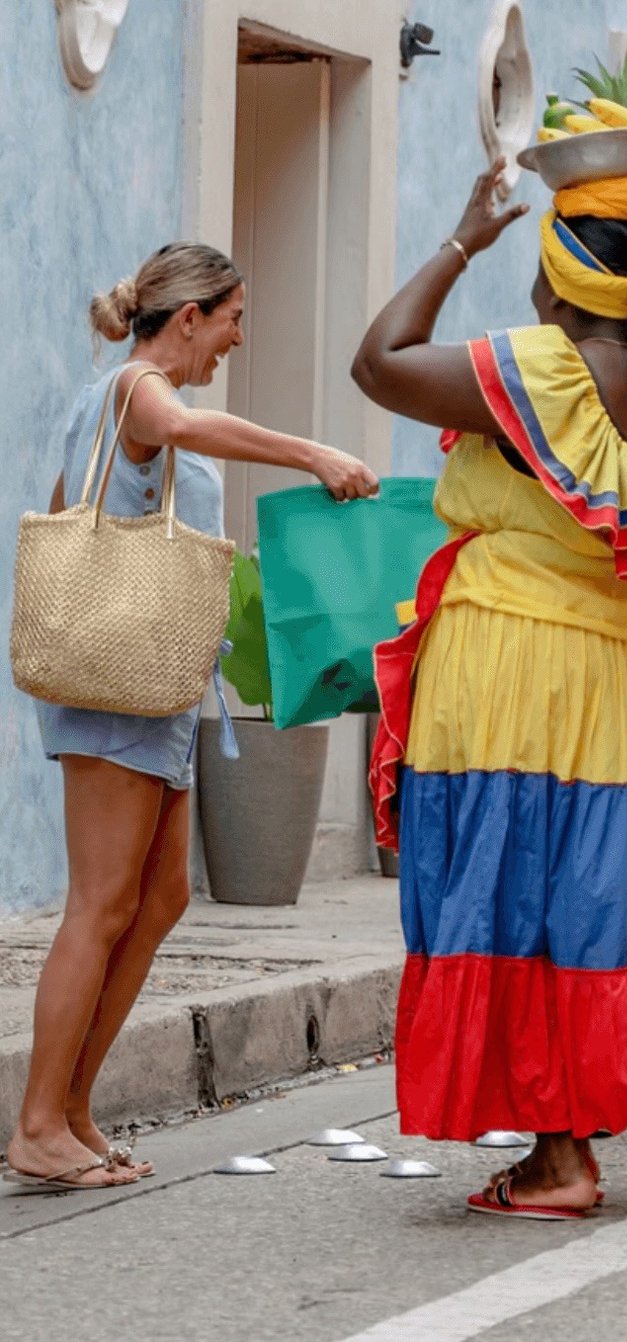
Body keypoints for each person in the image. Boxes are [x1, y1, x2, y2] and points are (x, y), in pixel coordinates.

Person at [350, 148, 627, 1219]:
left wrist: (461, 237)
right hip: (611, 680)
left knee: (495, 881)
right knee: (569, 896)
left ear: (561, 270)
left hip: (510, 662)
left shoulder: (538, 369)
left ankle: (558, 1156)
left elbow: (378, 360)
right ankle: (561, 1144)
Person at [4, 243, 376, 1192]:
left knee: (159, 900)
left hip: (155, 689)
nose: (238, 338)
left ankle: (75, 1107)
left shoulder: (122, 410)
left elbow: (67, 511)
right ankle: (39, 1122)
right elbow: (176, 428)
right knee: (101, 904)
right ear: (189, 317)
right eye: (235, 318)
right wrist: (311, 451)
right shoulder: (137, 388)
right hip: (114, 691)